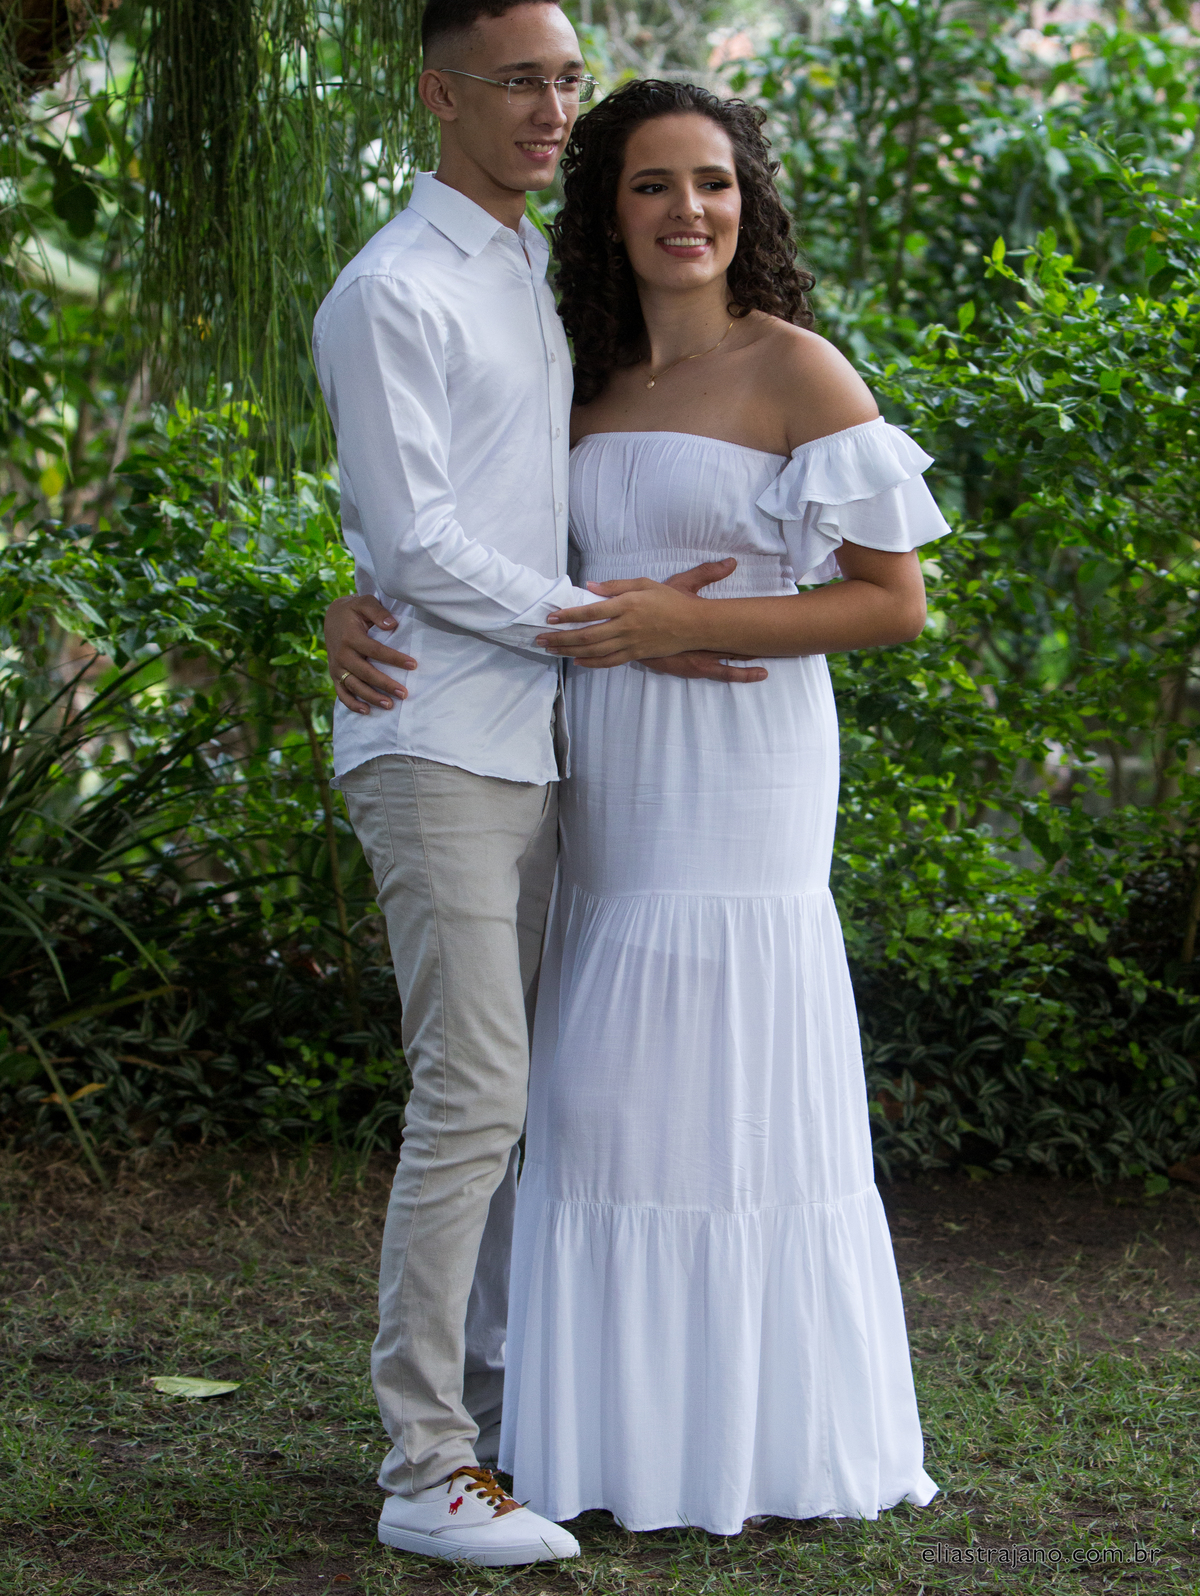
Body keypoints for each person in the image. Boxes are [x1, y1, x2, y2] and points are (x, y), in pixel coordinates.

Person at [333, 78, 948, 1534]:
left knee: (734, 1075)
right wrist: (351, 606)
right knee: (599, 1090)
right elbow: (449, 538)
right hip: (598, 760)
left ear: (750, 203)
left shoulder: (798, 370)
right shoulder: (577, 376)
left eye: (714, 182)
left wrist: (687, 626)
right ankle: (596, 1434)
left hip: (746, 767)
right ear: (606, 213)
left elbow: (893, 603)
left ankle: (757, 1437)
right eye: (654, 185)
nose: (690, 211)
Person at [312, 0, 758, 1569]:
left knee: (529, 1100)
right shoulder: (392, 288)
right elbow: (418, 541)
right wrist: (612, 624)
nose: (551, 109)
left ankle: (502, 1413)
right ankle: (425, 1464)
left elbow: (493, 505)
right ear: (441, 93)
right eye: (516, 82)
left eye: (567, 79)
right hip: (435, 733)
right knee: (474, 1095)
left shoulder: (530, 271)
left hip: (545, 738)